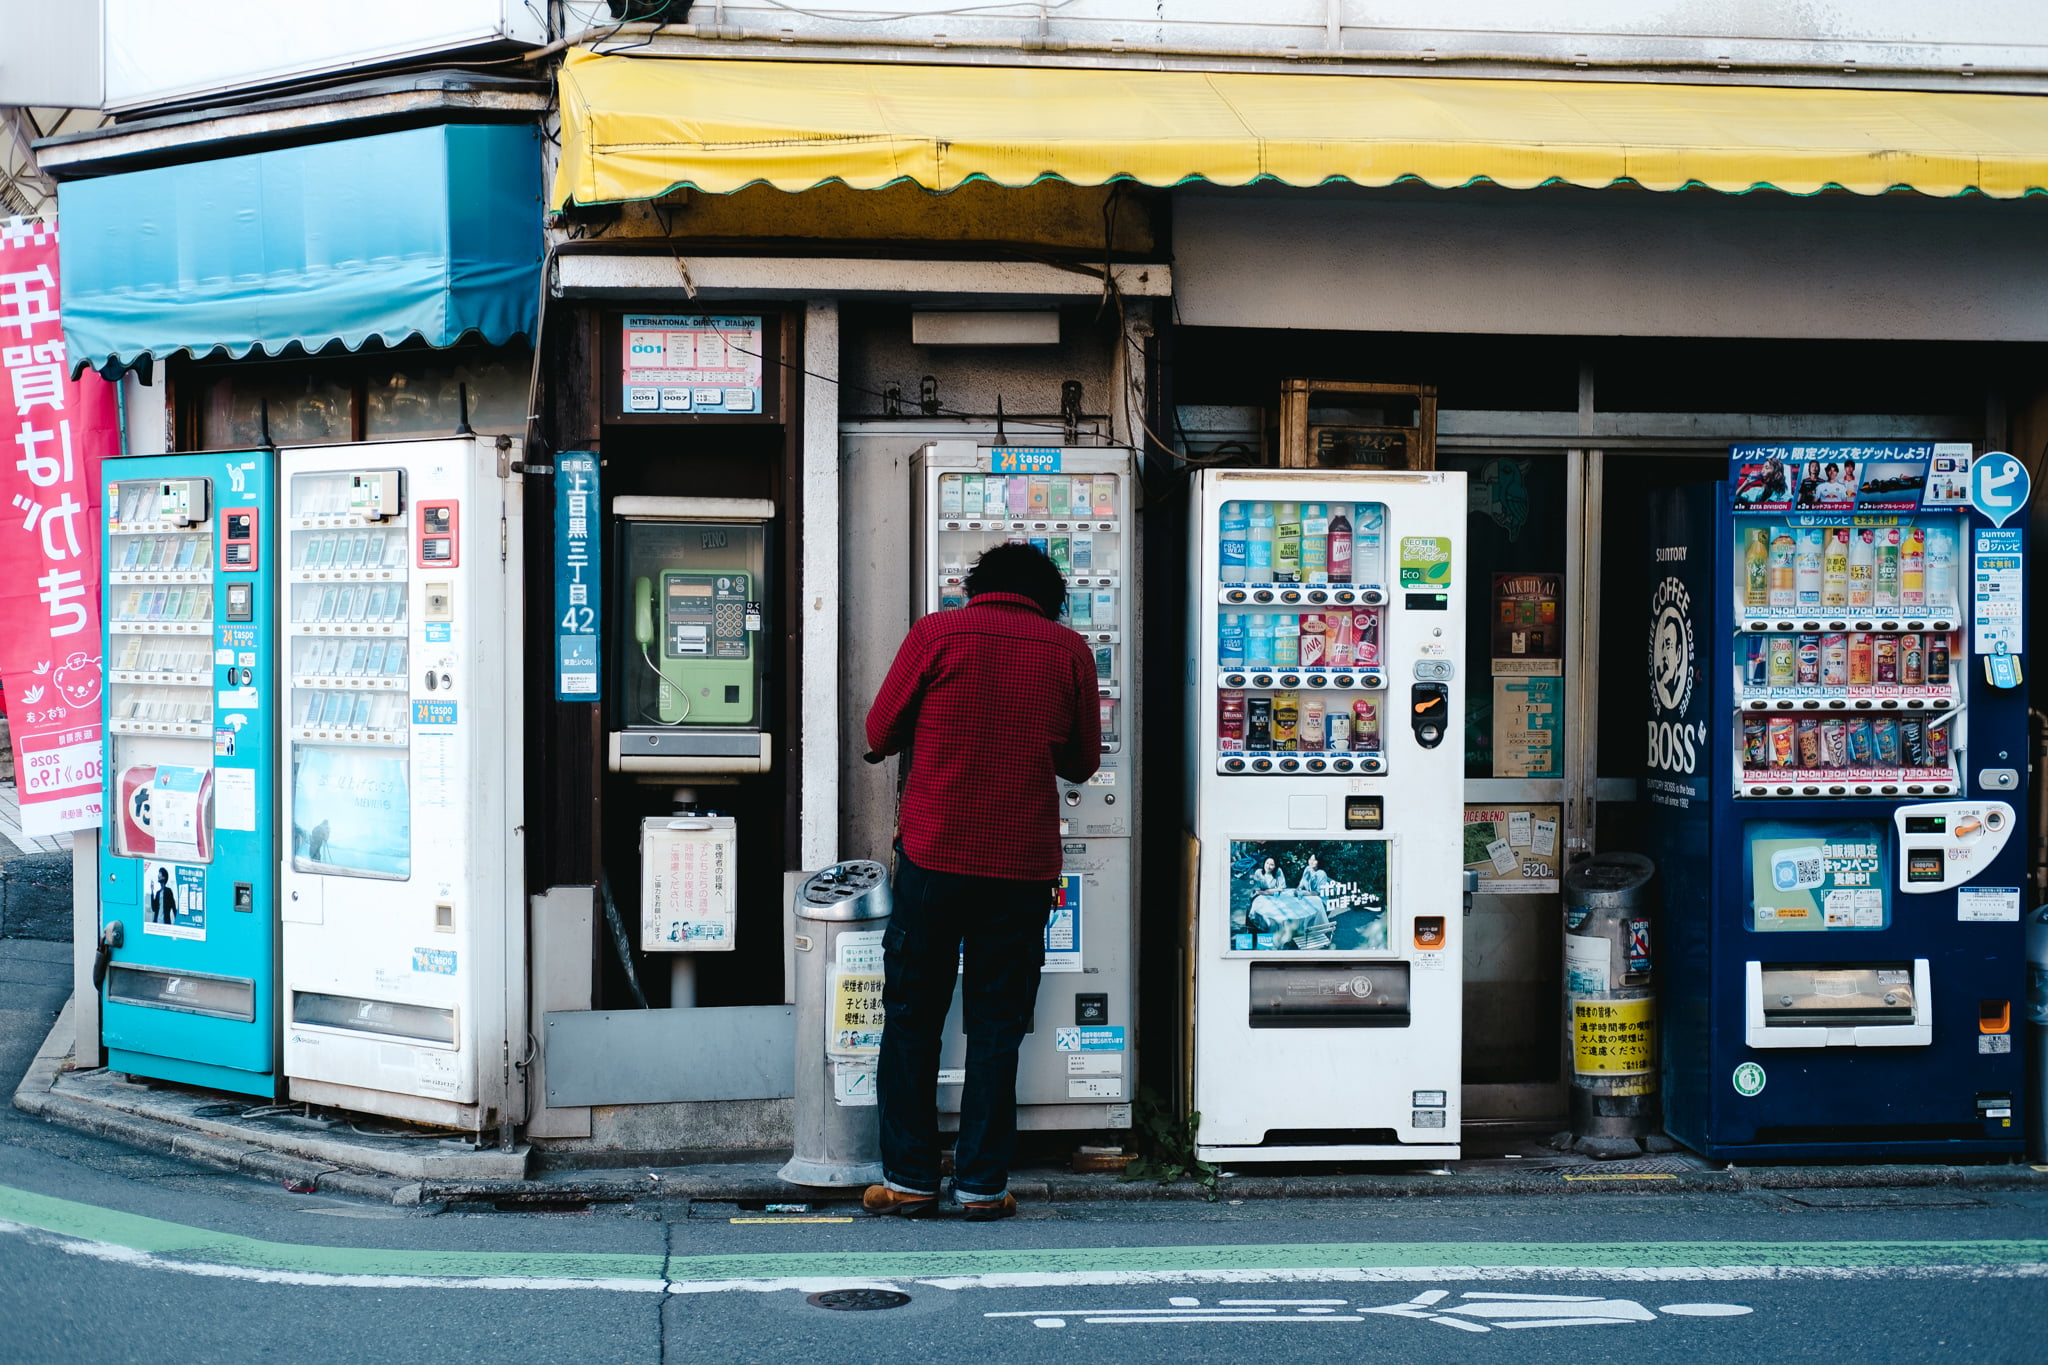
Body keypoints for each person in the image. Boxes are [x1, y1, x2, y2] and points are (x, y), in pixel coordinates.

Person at [861, 542, 1101, 1222]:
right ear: (1048, 597)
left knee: (911, 1018)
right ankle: (982, 1186)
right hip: (1021, 869)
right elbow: (1083, 763)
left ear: (976, 587)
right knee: (997, 1028)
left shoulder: (937, 633)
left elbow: (878, 731)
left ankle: (908, 1180)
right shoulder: (1069, 650)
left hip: (935, 859)